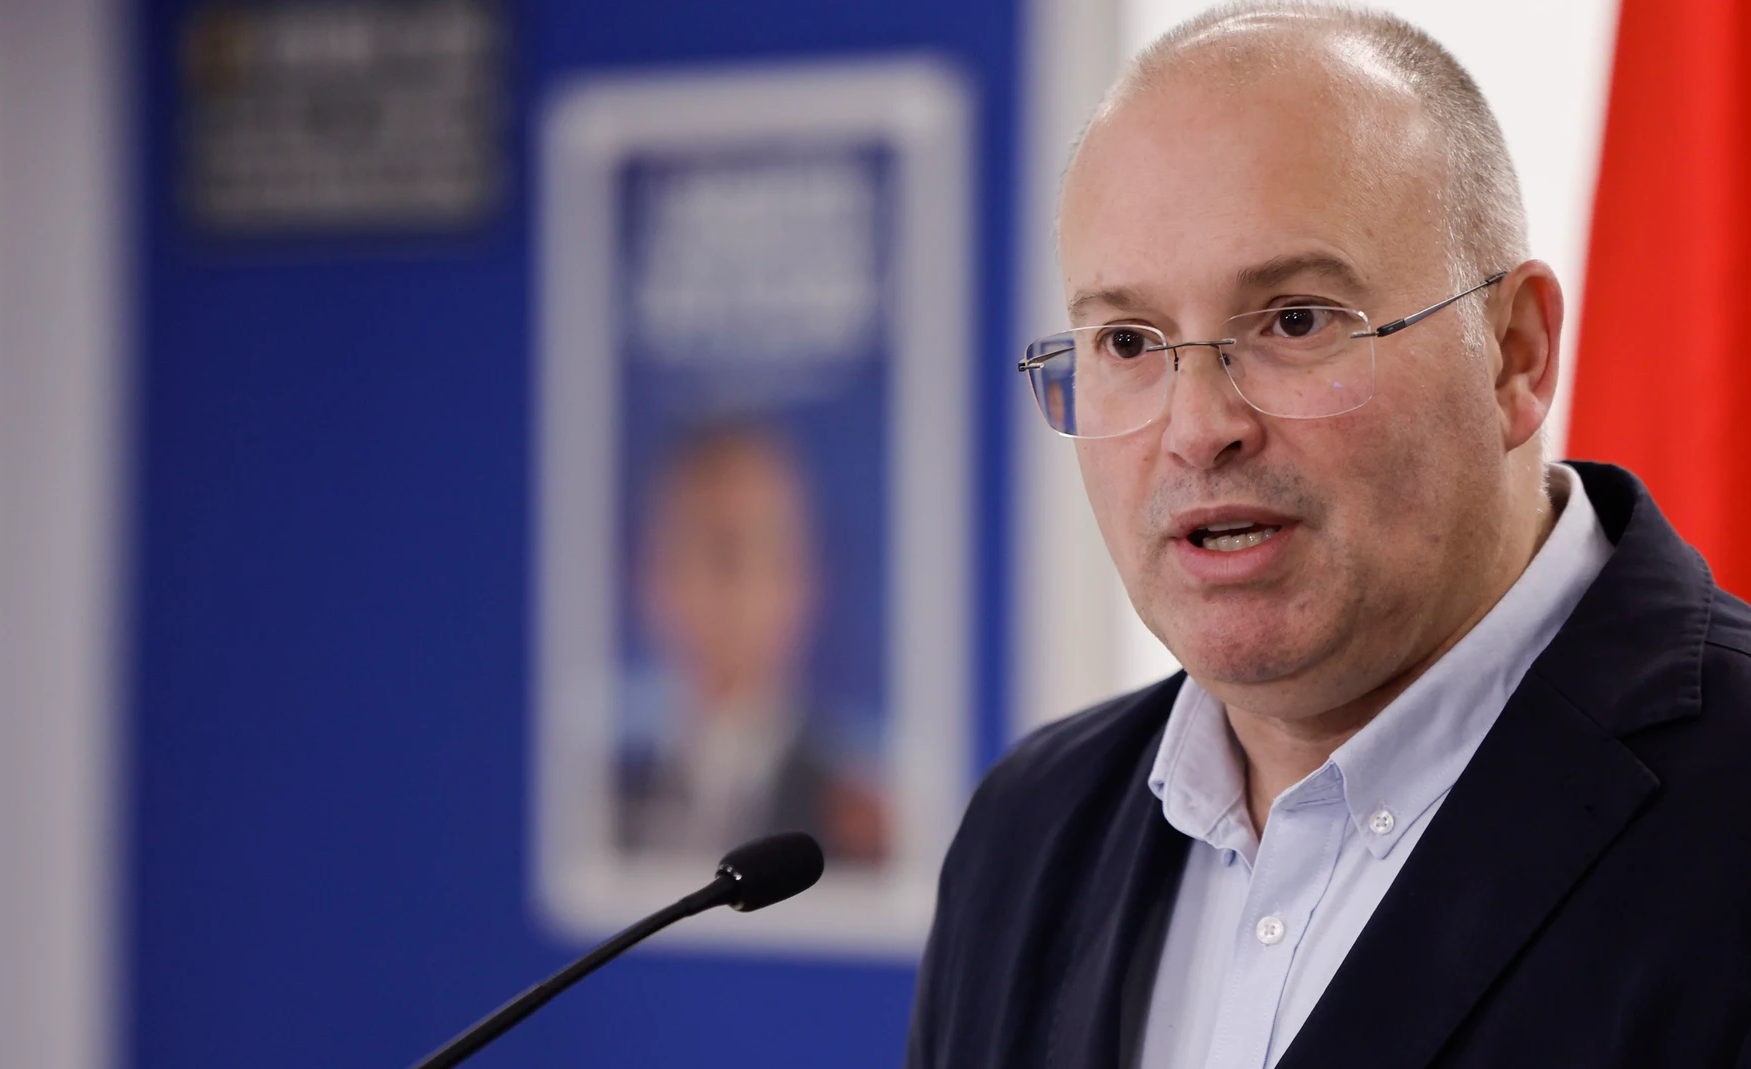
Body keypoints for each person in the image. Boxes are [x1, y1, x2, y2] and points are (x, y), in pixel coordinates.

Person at [911, 5, 1751, 1068]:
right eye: (1127, 340)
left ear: (1515, 355)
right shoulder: (1027, 827)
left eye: (1294, 320)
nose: (1197, 428)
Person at [615, 424, 888, 864]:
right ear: (653, 578)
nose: (722, 588)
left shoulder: (860, 816)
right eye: (693, 550)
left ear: (801, 579)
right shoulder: (604, 799)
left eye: (745, 552)